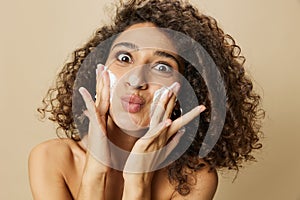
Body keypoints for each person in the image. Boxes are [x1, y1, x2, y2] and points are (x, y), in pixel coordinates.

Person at [28, 0, 264, 199]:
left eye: (162, 66)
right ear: (98, 71)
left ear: (184, 91)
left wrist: (137, 181)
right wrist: (96, 170)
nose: (136, 79)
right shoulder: (52, 159)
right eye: (124, 57)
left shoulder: (194, 179)